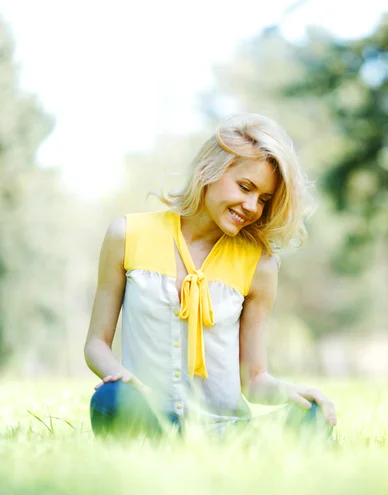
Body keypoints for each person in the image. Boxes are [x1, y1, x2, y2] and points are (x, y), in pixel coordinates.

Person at [84, 113, 337, 440]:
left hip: (228, 435)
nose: (252, 206)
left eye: (263, 199)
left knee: (312, 417)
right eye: (245, 187)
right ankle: (162, 450)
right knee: (110, 400)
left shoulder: (260, 266)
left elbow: (254, 378)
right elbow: (95, 344)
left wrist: (294, 392)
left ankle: (205, 459)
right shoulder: (126, 234)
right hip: (149, 422)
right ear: (209, 169)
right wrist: (120, 377)